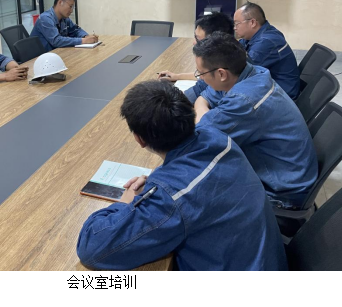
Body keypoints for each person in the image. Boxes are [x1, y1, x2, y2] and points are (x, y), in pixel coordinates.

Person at [76, 80, 287, 271]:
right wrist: (156, 184)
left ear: (139, 139)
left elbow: (92, 249)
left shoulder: (172, 198)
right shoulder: (218, 137)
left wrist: (127, 202)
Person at [193, 33, 318, 209]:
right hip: (286, 173)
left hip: (281, 192)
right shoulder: (252, 72)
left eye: (201, 73)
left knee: (194, 194)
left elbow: (201, 137)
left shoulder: (244, 100)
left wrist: (200, 108)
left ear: (221, 74)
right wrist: (202, 108)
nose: (200, 78)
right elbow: (207, 95)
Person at [158, 12, 234, 103]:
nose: (194, 42)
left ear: (213, 41)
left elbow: (186, 99)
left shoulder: (218, 74)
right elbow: (202, 76)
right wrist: (177, 76)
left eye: (198, 38)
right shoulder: (229, 58)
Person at [234, 1, 300, 99]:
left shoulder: (266, 42)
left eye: (237, 23)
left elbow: (242, 72)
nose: (235, 28)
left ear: (252, 23)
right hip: (273, 88)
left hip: (281, 96)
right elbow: (236, 49)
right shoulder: (261, 33)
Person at [29, 0, 98, 51]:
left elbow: (75, 30)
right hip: (40, 58)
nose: (71, 11)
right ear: (60, 2)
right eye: (70, 6)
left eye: (73, 7)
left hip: (56, 54)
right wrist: (83, 41)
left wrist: (85, 36)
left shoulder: (64, 18)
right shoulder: (45, 19)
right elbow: (56, 41)